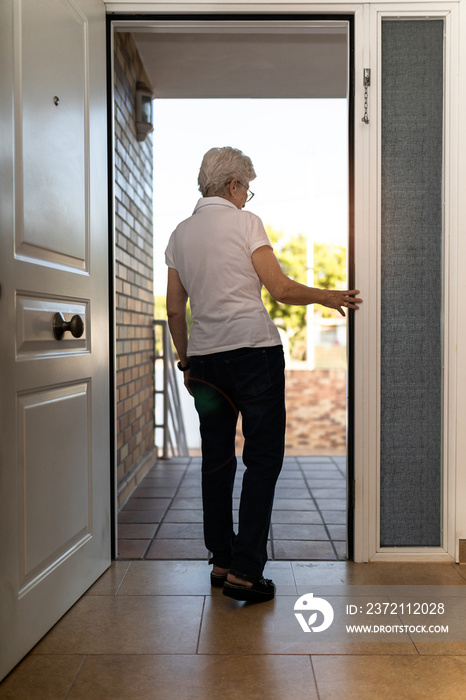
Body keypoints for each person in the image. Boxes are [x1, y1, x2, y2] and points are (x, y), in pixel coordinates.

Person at [165, 147, 362, 603]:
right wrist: (328, 295)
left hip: (207, 364)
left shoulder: (179, 233)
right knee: (263, 460)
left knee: (216, 461)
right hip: (254, 356)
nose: (247, 197)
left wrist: (186, 359)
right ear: (232, 185)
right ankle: (247, 571)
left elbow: (176, 307)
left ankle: (221, 560)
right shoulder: (245, 223)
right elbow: (281, 289)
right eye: (246, 189)